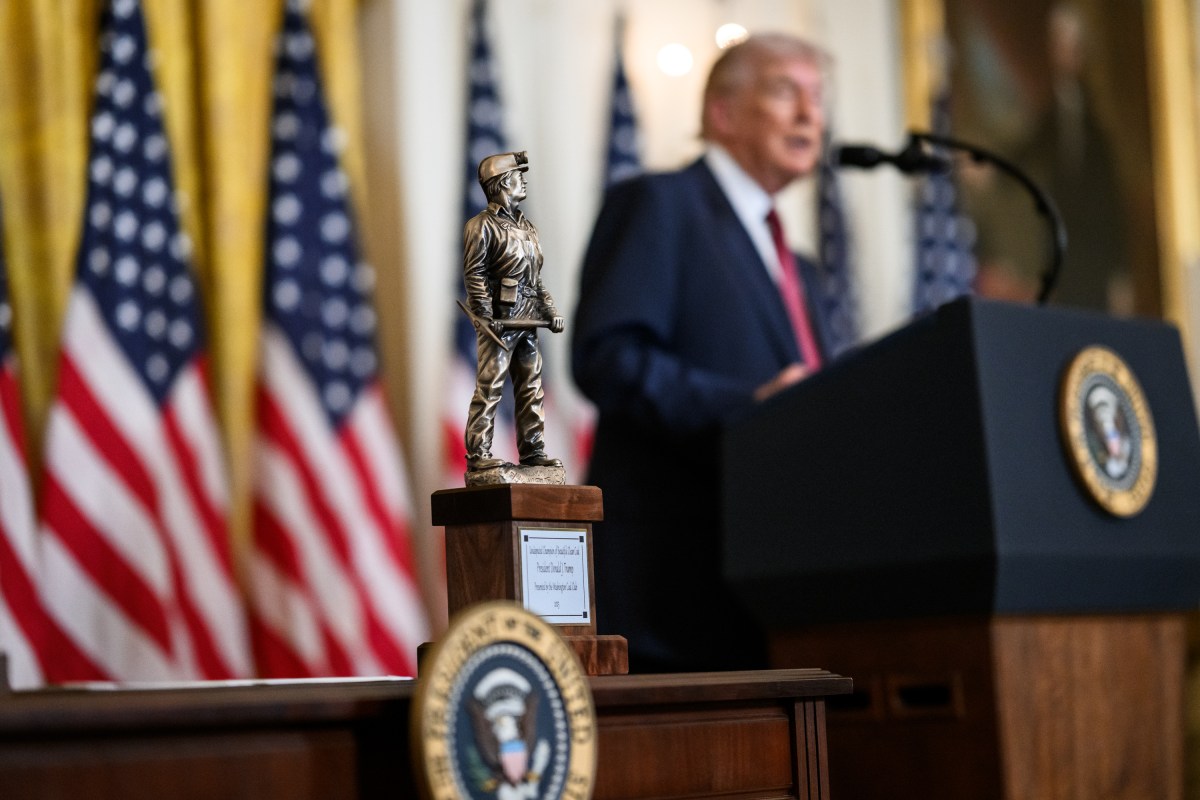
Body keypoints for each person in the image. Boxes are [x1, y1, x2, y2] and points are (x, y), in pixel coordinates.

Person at [572, 34, 842, 672]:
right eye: (785, 91)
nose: (810, 114)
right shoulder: (662, 205)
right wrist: (748, 408)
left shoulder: (800, 269)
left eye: (817, 97)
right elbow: (606, 356)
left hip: (777, 580)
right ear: (721, 113)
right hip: (673, 584)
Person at [463, 151, 565, 474]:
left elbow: (535, 281)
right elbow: (474, 275)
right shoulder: (480, 226)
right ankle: (479, 452)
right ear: (504, 182)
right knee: (491, 385)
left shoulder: (529, 229)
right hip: (500, 323)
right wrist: (485, 313)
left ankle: (533, 450)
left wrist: (550, 312)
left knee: (531, 386)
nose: (524, 182)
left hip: (529, 318)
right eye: (519, 176)